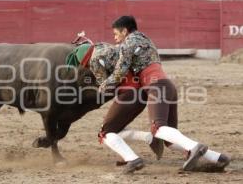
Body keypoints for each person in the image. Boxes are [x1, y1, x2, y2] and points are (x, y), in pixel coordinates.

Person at [97, 15, 230, 173]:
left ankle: (194, 147)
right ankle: (218, 158)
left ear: (125, 31)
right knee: (169, 140)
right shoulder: (148, 41)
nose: (115, 38)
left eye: (116, 34)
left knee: (158, 129)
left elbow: (119, 72)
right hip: (168, 87)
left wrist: (103, 86)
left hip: (156, 87)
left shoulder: (128, 44)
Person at [89, 43, 164, 174]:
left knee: (105, 133)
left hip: (129, 95)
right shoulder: (116, 51)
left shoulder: (95, 61)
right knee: (116, 130)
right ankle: (149, 138)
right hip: (141, 94)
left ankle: (132, 159)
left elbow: (107, 88)